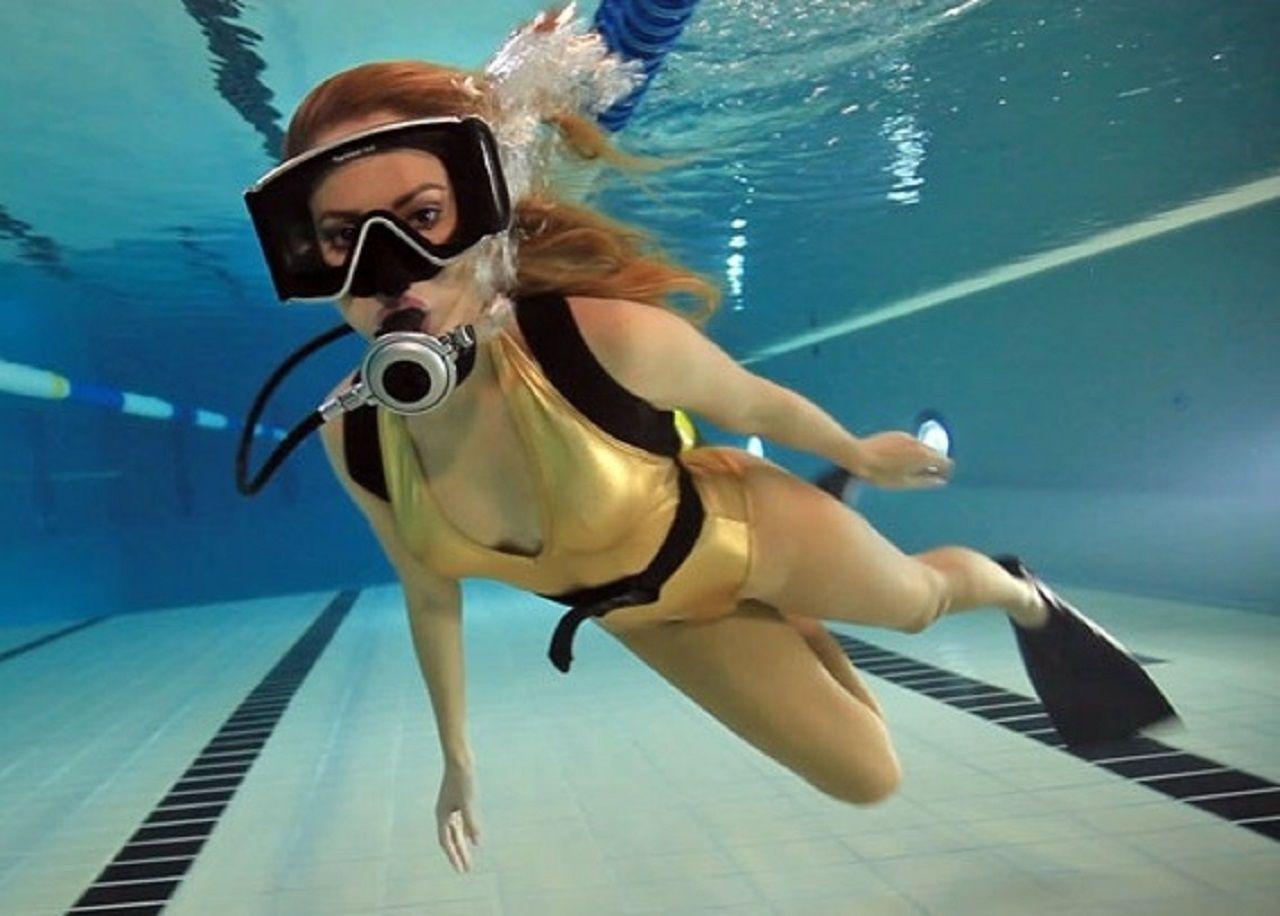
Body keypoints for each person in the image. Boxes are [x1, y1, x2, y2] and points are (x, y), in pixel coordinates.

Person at [243, 5, 1179, 877]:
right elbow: (429, 592)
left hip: (751, 534)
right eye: (342, 237)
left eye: (423, 219)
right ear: (307, 253)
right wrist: (456, 757)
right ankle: (796, 618)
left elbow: (756, 405)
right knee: (868, 777)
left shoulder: (595, 340)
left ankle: (1017, 592)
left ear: (485, 208)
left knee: (920, 605)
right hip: (653, 616)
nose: (389, 272)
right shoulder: (356, 437)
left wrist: (859, 456)